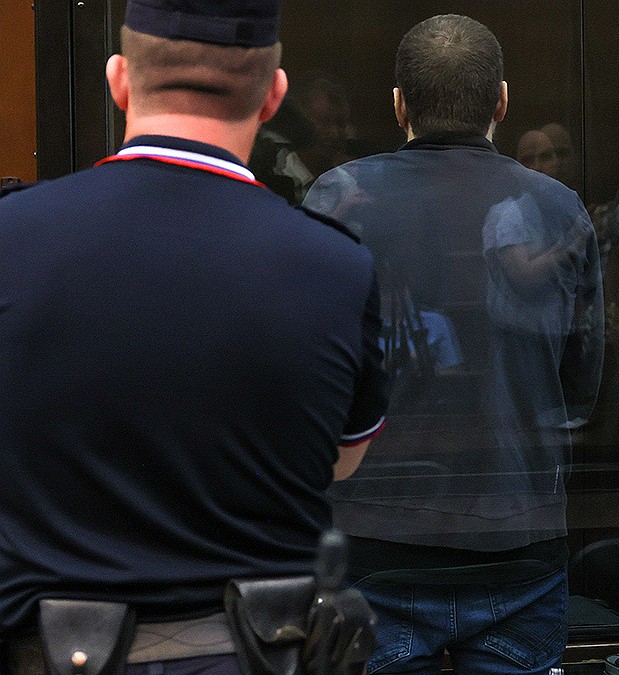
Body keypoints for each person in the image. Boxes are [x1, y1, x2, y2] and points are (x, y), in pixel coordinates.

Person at [0, 0, 389, 673]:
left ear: (119, 79)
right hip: (255, 654)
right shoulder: (336, 268)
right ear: (273, 96)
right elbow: (341, 461)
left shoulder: (11, 238)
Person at [302, 14, 603, 675]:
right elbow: (581, 383)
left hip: (373, 544)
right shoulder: (557, 205)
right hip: (519, 537)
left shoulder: (338, 195)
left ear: (399, 105)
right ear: (502, 101)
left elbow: (308, 377)